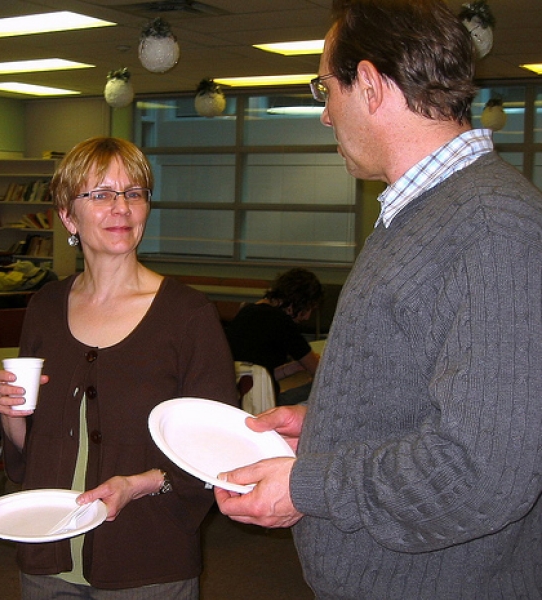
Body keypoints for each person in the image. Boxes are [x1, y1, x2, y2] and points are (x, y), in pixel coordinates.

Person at [214, 1, 542, 598]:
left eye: (324, 89)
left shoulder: (492, 228)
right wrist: (330, 427)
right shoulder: (424, 213)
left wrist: (309, 485)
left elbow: (485, 472)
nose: (324, 115)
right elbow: (433, 396)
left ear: (367, 85)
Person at [0, 137, 238, 599]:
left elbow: (218, 450)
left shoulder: (187, 315)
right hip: (47, 554)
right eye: (101, 194)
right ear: (68, 216)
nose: (121, 207)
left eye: (134, 192)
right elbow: (27, 455)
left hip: (147, 557)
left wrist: (140, 484)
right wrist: (11, 413)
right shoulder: (44, 307)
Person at [225, 268, 323, 405]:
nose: (307, 317)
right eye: (308, 309)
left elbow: (259, 375)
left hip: (241, 400)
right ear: (296, 302)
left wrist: (294, 368)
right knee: (325, 388)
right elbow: (319, 372)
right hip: (267, 404)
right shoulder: (282, 321)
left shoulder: (246, 311)